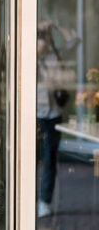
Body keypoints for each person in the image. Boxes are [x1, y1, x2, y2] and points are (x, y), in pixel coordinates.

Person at [36, 20, 78, 218]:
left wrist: (56, 25)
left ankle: (44, 201)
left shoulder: (56, 55)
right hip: (32, 115)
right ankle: (26, 199)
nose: (42, 40)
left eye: (44, 36)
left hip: (53, 115)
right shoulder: (25, 57)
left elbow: (75, 39)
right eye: (39, 36)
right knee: (29, 160)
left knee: (50, 159)